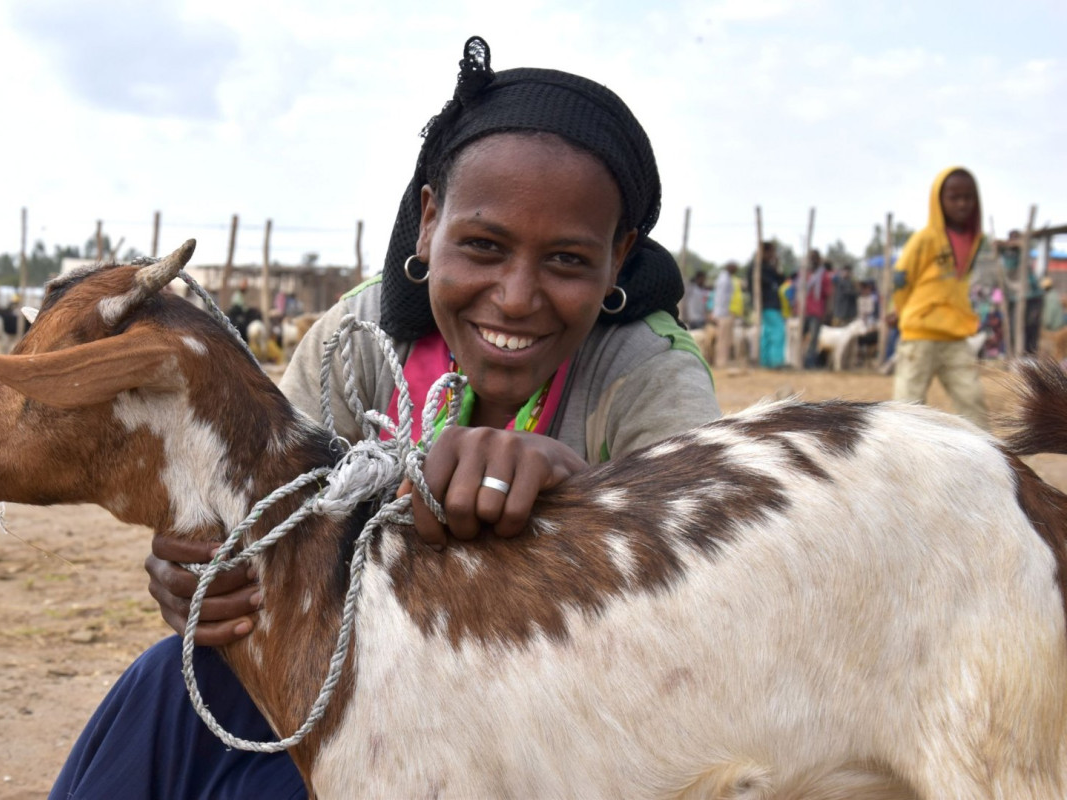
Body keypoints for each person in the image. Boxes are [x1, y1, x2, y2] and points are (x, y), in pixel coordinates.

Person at [49, 36, 721, 800]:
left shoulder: (644, 375)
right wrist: (197, 578)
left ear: (619, 255)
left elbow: (701, 618)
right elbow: (261, 525)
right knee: (172, 686)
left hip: (551, 727)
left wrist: (576, 499)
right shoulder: (358, 340)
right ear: (429, 223)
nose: (516, 295)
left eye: (567, 260)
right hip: (361, 686)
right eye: (483, 246)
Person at [891, 166, 989, 429]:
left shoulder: (976, 240)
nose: (962, 203)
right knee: (908, 406)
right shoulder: (925, 239)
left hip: (955, 336)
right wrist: (901, 311)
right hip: (920, 334)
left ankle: (987, 460)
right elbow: (901, 278)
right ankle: (906, 462)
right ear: (938, 200)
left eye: (968, 197)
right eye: (954, 197)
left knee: (972, 399)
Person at [999, 229, 1044, 355]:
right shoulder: (1006, 252)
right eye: (1011, 238)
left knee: (1030, 328)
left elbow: (1022, 244)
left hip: (1031, 296)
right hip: (1014, 297)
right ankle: (1017, 356)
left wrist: (1018, 242)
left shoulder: (1023, 249)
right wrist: (1007, 244)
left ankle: (1029, 357)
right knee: (1015, 328)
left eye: (1015, 238)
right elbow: (996, 244)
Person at [801, 251, 833, 369]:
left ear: (819, 260)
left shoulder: (824, 275)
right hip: (804, 312)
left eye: (815, 258)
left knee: (814, 339)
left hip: (817, 312)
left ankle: (809, 362)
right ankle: (799, 359)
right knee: (800, 337)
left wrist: (827, 312)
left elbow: (829, 294)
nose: (813, 261)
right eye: (811, 258)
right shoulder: (805, 274)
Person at [758, 242, 786, 368]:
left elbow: (781, 280)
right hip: (769, 305)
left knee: (768, 333)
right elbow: (777, 282)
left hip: (766, 306)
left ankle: (766, 362)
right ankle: (776, 362)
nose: (773, 255)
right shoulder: (761, 268)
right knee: (778, 332)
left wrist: (776, 266)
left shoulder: (764, 267)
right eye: (772, 252)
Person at [711, 261, 738, 368]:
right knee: (723, 339)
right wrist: (721, 313)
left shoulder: (725, 278)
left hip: (723, 312)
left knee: (724, 339)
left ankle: (723, 361)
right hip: (722, 314)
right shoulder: (724, 280)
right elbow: (721, 298)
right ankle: (721, 362)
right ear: (731, 267)